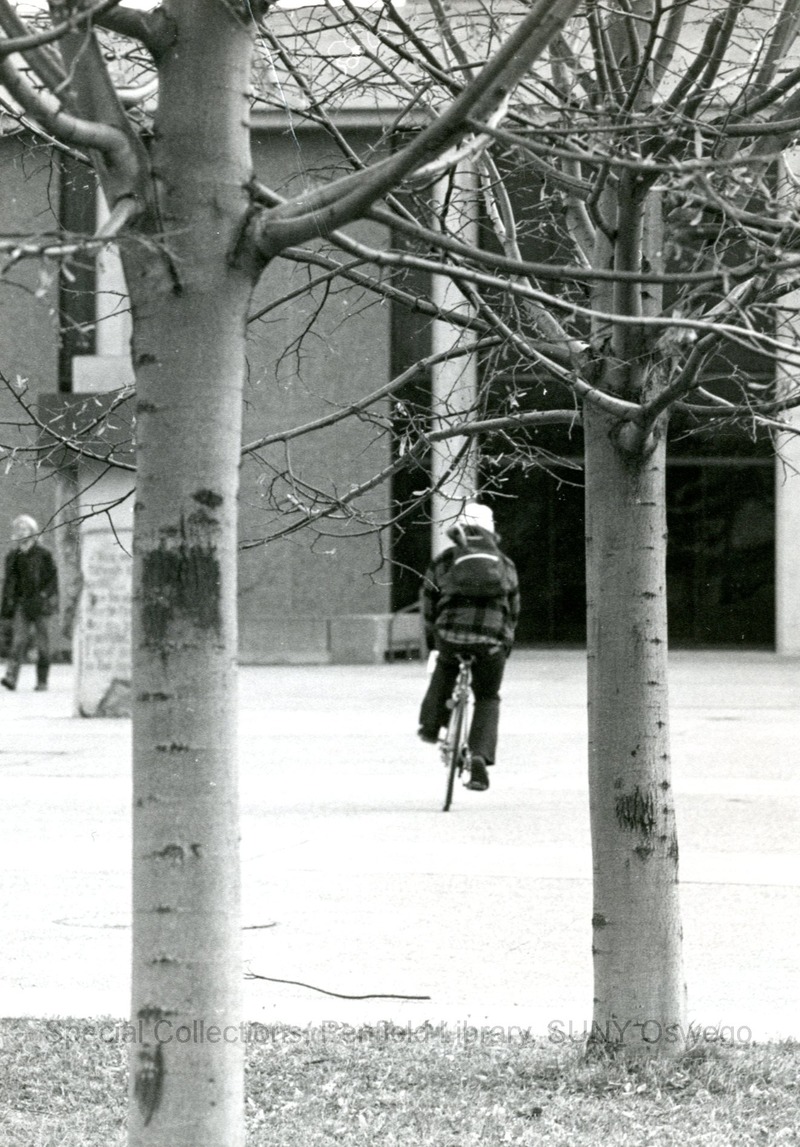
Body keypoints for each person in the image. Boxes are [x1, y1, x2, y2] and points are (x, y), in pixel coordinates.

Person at [418, 502, 519, 792]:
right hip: (490, 643)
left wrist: (433, 643)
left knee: (446, 668)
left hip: (450, 638)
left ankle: (431, 726)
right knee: (488, 696)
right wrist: (504, 648)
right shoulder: (504, 564)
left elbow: (428, 604)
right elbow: (513, 612)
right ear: (491, 530)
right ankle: (478, 757)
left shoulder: (445, 560)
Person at [1, 514, 59, 692]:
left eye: (24, 529)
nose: (21, 532)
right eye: (18, 529)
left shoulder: (43, 554)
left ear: (32, 532)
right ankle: (11, 677)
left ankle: (42, 681)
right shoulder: (13, 556)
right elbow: (9, 582)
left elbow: (53, 579)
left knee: (43, 644)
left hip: (41, 604)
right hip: (22, 603)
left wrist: (43, 595)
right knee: (19, 641)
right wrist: (6, 605)